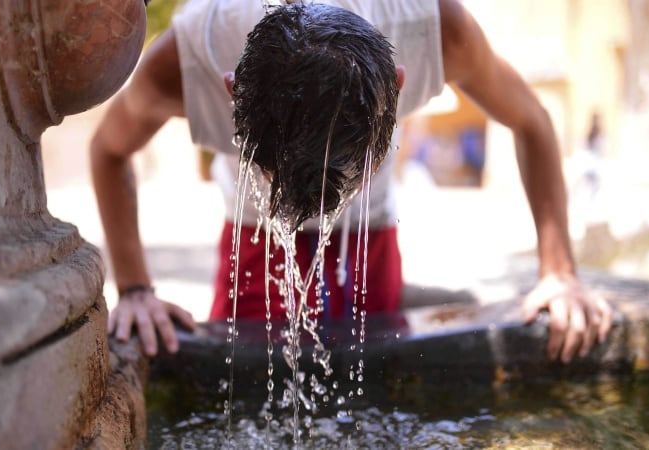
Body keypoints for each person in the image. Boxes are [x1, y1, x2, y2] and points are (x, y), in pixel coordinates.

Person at [90, 0, 613, 363]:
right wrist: (135, 288)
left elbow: (533, 122)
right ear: (232, 93)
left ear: (399, 86)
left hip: (371, 238)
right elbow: (109, 151)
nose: (323, 205)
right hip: (259, 240)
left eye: (352, 172)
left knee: (381, 383)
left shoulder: (435, 31)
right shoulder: (187, 59)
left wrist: (559, 270)